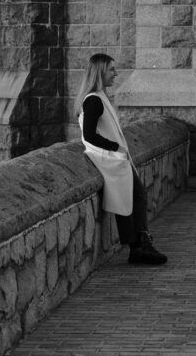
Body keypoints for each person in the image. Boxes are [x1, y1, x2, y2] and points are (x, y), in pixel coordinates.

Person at [76, 53, 168, 265]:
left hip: (115, 160)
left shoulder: (100, 98)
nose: (115, 74)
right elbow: (88, 135)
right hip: (109, 160)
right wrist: (115, 147)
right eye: (111, 69)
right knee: (133, 198)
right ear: (100, 72)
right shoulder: (94, 101)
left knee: (132, 198)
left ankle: (139, 245)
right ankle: (139, 246)